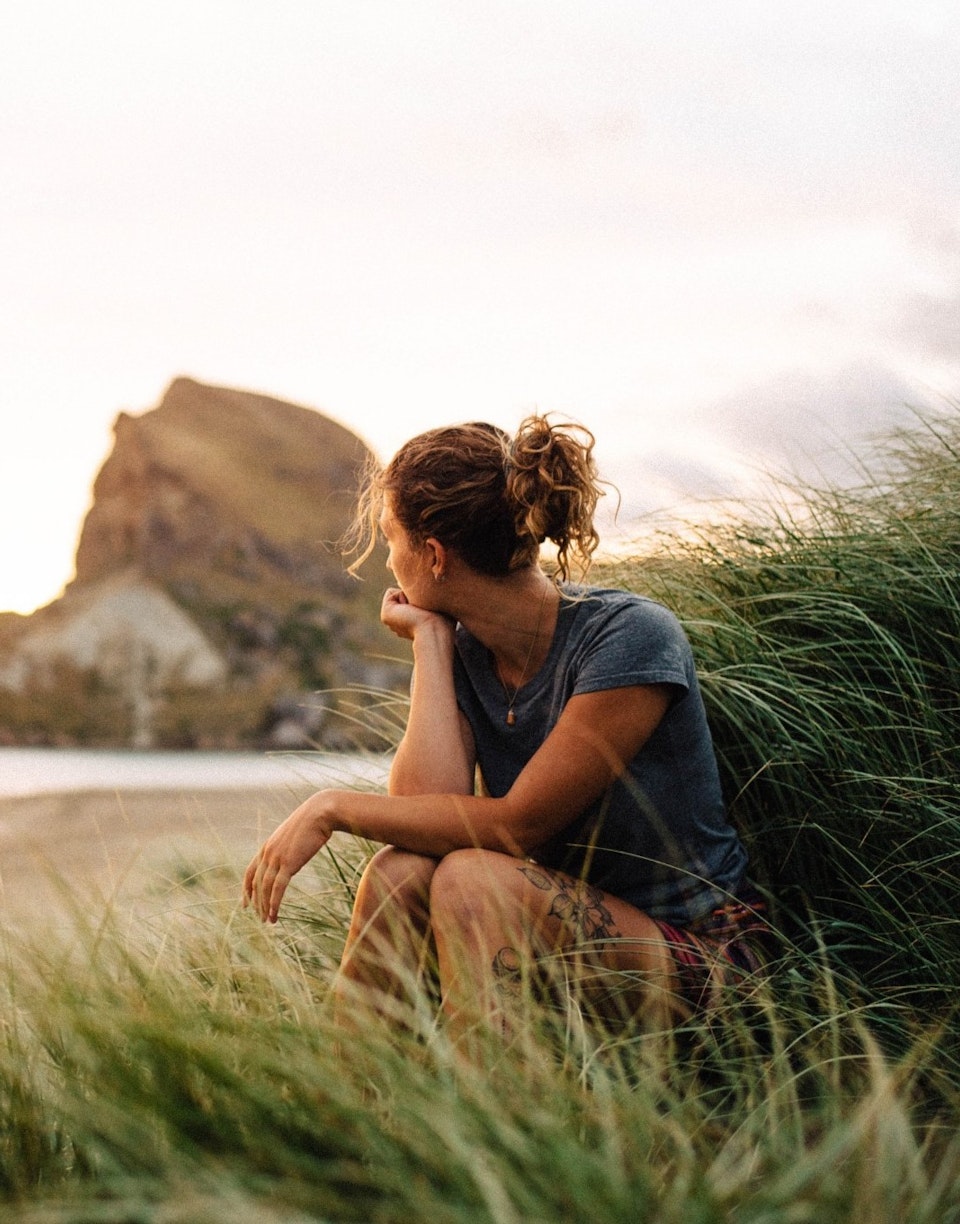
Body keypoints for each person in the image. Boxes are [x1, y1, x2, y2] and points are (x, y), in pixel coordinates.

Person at [243, 416, 774, 1043]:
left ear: (434, 556)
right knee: (399, 872)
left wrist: (330, 808)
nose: (387, 558)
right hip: (560, 922)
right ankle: (347, 1118)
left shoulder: (629, 638)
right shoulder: (469, 654)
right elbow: (420, 814)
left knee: (473, 882)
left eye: (390, 538)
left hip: (707, 960)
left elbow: (519, 826)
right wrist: (433, 645)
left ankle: (489, 1128)